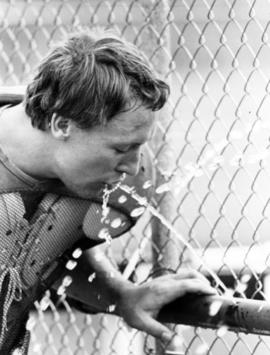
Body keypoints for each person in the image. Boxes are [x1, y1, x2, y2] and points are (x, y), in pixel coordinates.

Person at [0, 30, 216, 353]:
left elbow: (48, 244)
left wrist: (120, 295)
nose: (132, 166)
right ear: (61, 125)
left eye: (139, 147)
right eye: (121, 148)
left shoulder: (101, 187)